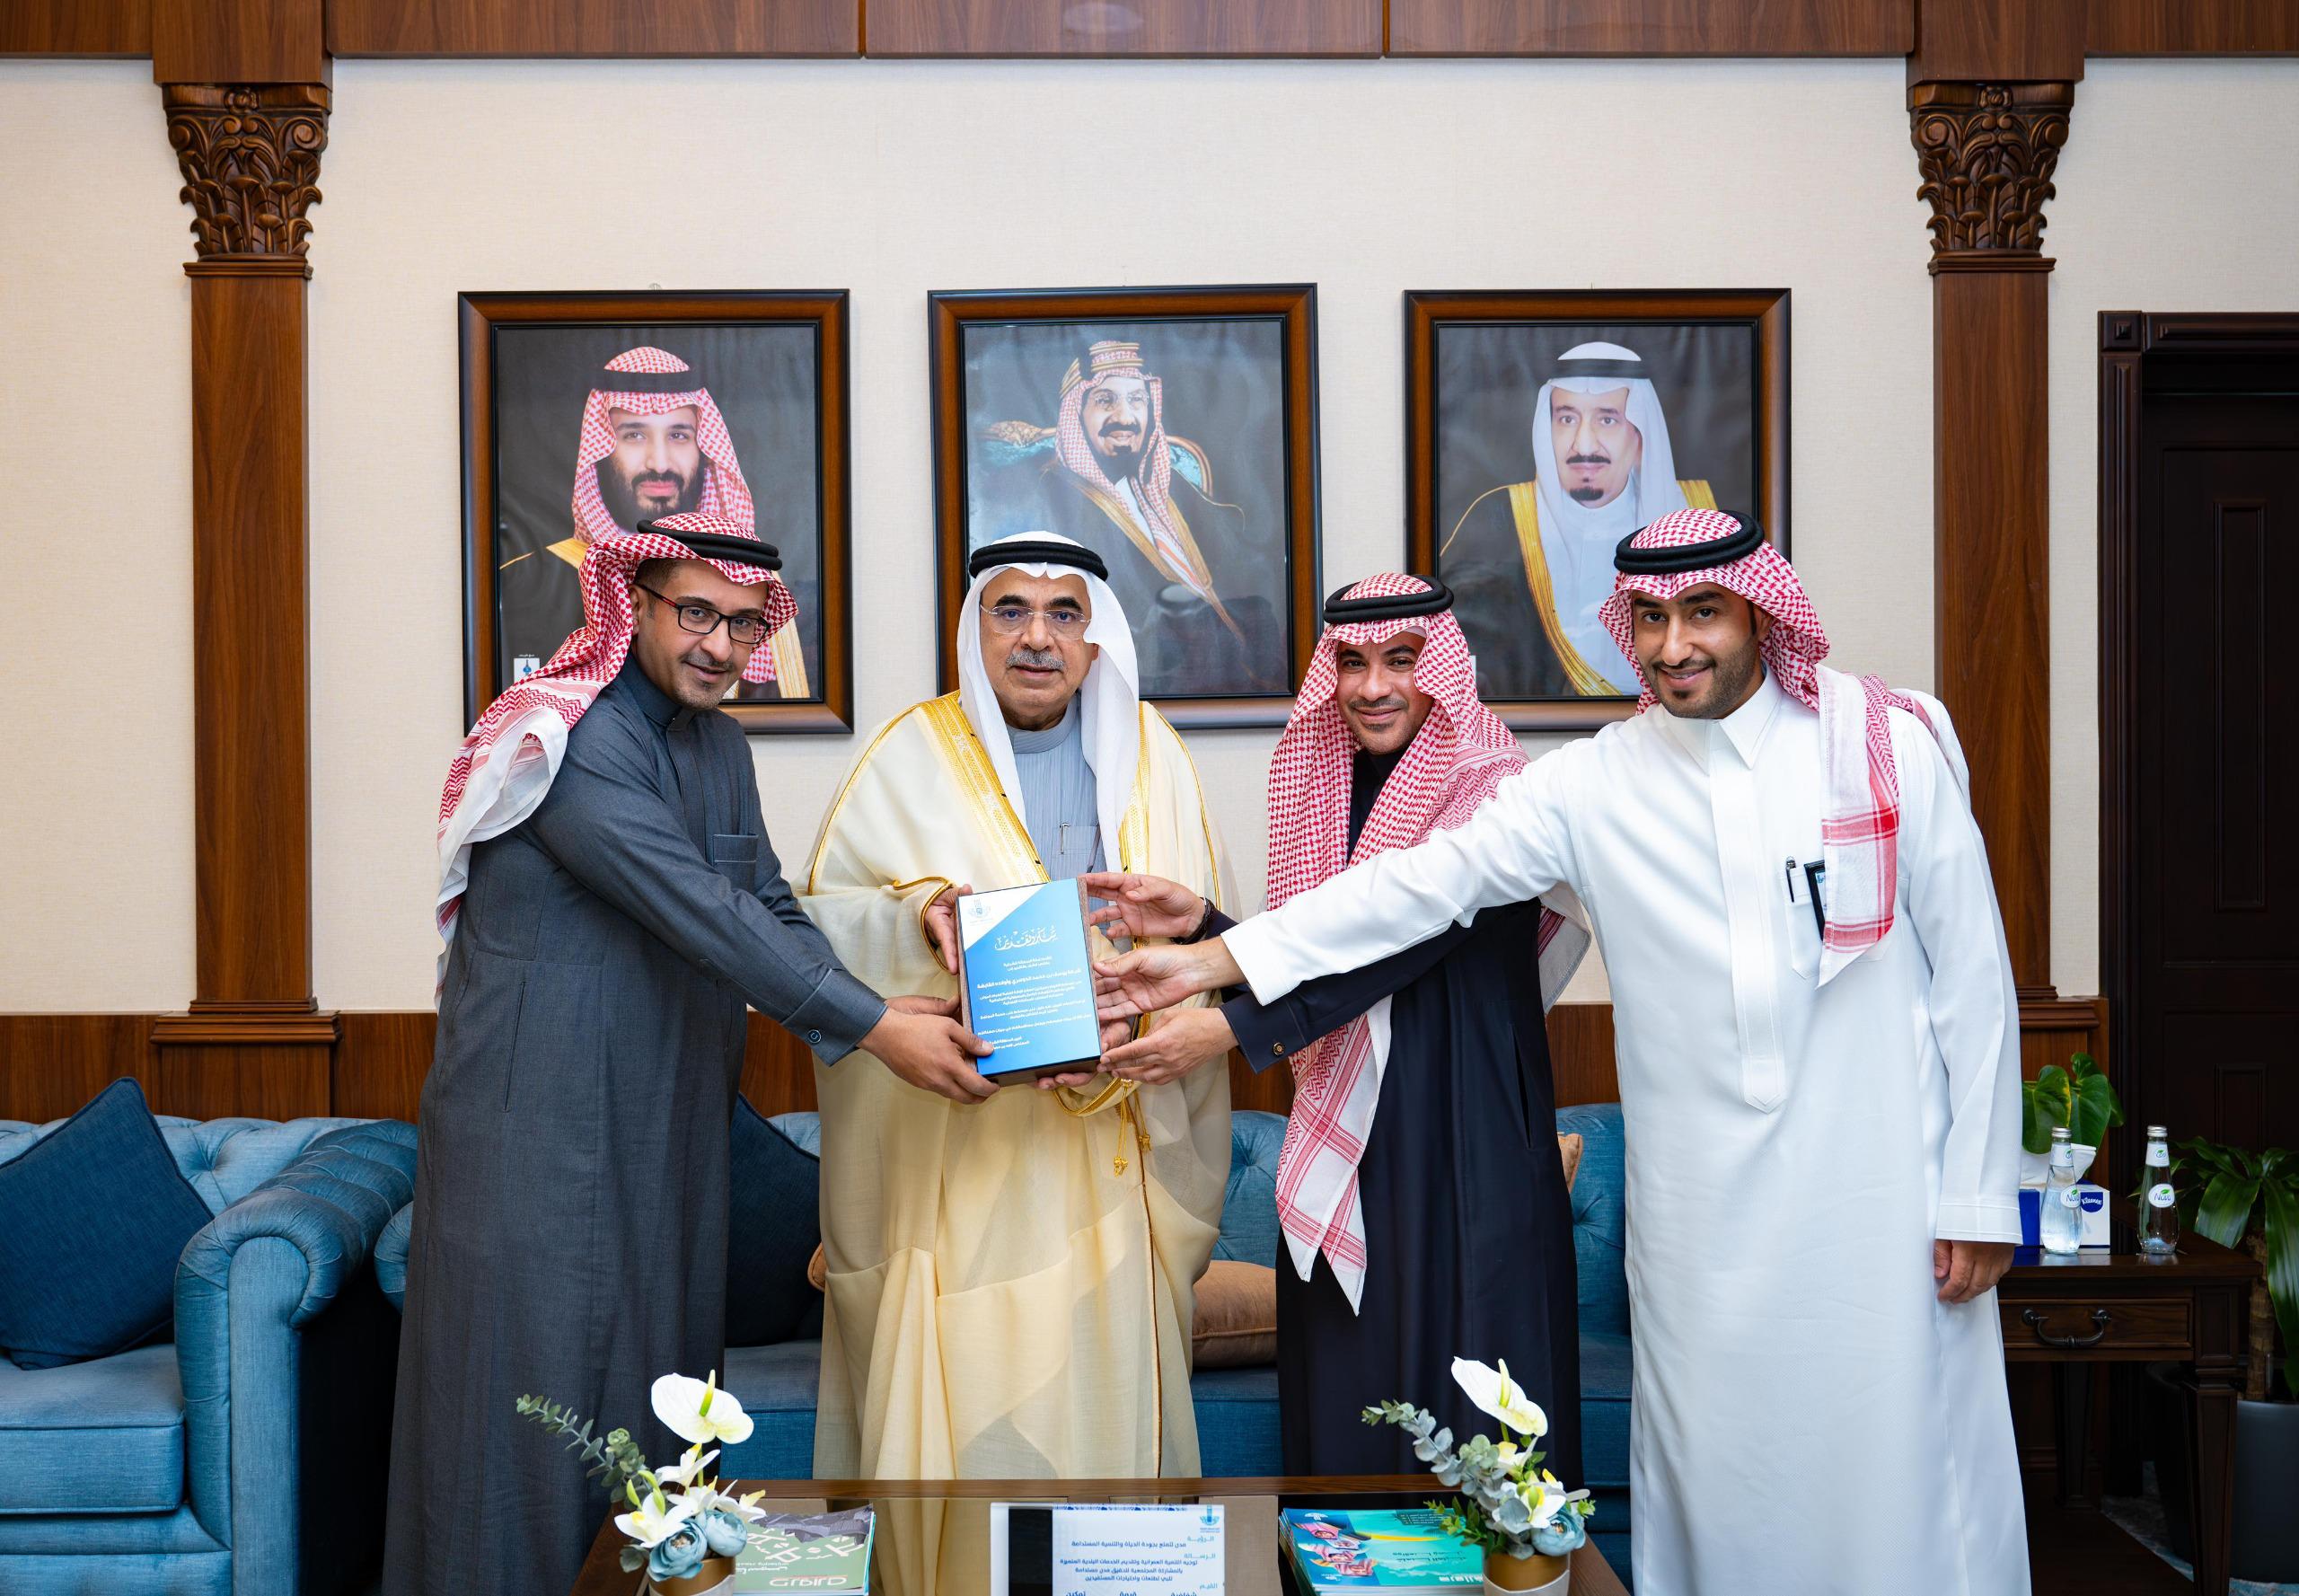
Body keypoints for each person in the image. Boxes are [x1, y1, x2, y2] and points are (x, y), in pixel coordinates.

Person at [1099, 508, 2028, 1595]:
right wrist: (1215, 957)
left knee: (1896, 1452)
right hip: (1700, 1217)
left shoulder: (1884, 743)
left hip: (1874, 1187)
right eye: (1650, 618)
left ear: (1759, 614)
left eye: (1702, 612)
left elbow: (1973, 976)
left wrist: (1978, 1194)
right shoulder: (1592, 782)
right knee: (1720, 1469)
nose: (1674, 644)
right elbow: (1414, 889)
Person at [387, 511, 989, 1596]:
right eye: (697, 613)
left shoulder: (719, 747)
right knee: (521, 1421)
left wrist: (875, 1003)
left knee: (658, 1408)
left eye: (745, 625)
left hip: (664, 1130)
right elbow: (701, 910)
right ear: (633, 604)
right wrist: (874, 1029)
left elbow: (762, 901)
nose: (720, 645)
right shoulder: (571, 740)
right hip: (535, 1141)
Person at [1082, 572, 1591, 1475]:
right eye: (1350, 662)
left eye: (1401, 659)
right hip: (1349, 1120)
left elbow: (1402, 946)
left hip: (1465, 1122)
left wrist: (1232, 1029)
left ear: (1442, 667)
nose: (1372, 685)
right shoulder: (1323, 779)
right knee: (1348, 1389)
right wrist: (1202, 922)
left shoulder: (1491, 785)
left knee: (1474, 1389)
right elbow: (1320, 946)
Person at [797, 530, 1233, 1478]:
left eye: (1064, 612)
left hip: (1113, 1157)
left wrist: (1135, 1020)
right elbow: (817, 928)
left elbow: (1210, 945)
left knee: (1100, 1419)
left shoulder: (1156, 756)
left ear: (1094, 634)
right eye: (1012, 610)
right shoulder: (908, 754)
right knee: (968, 1424)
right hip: (960, 1169)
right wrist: (921, 917)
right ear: (977, 629)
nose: (1038, 637)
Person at [496, 344, 809, 694]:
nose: (659, 463)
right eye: (634, 435)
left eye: (679, 435)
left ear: (705, 448)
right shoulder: (525, 582)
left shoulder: (757, 590)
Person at [982, 339, 1283, 696]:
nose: (1125, 418)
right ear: (1077, 414)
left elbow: (1240, 564)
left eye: (1137, 400)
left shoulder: (1169, 485)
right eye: (1105, 401)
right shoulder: (1051, 498)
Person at [1444, 341, 1714, 699]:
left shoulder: (1700, 514)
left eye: (1607, 420)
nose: (1583, 445)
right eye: (1567, 419)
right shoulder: (1499, 516)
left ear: (1639, 435)